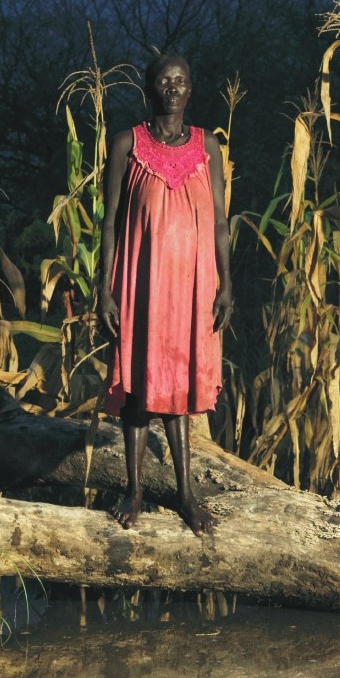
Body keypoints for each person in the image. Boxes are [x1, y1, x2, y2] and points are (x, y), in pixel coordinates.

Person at [98, 54, 233, 535]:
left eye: (180, 81)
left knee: (179, 390)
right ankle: (133, 493)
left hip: (192, 287)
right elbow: (110, 223)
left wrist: (226, 283)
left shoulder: (207, 146)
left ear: (190, 89)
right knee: (139, 387)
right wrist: (104, 290)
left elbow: (219, 222)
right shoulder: (126, 145)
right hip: (140, 282)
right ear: (149, 88)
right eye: (163, 81)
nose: (172, 88)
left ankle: (186, 496)